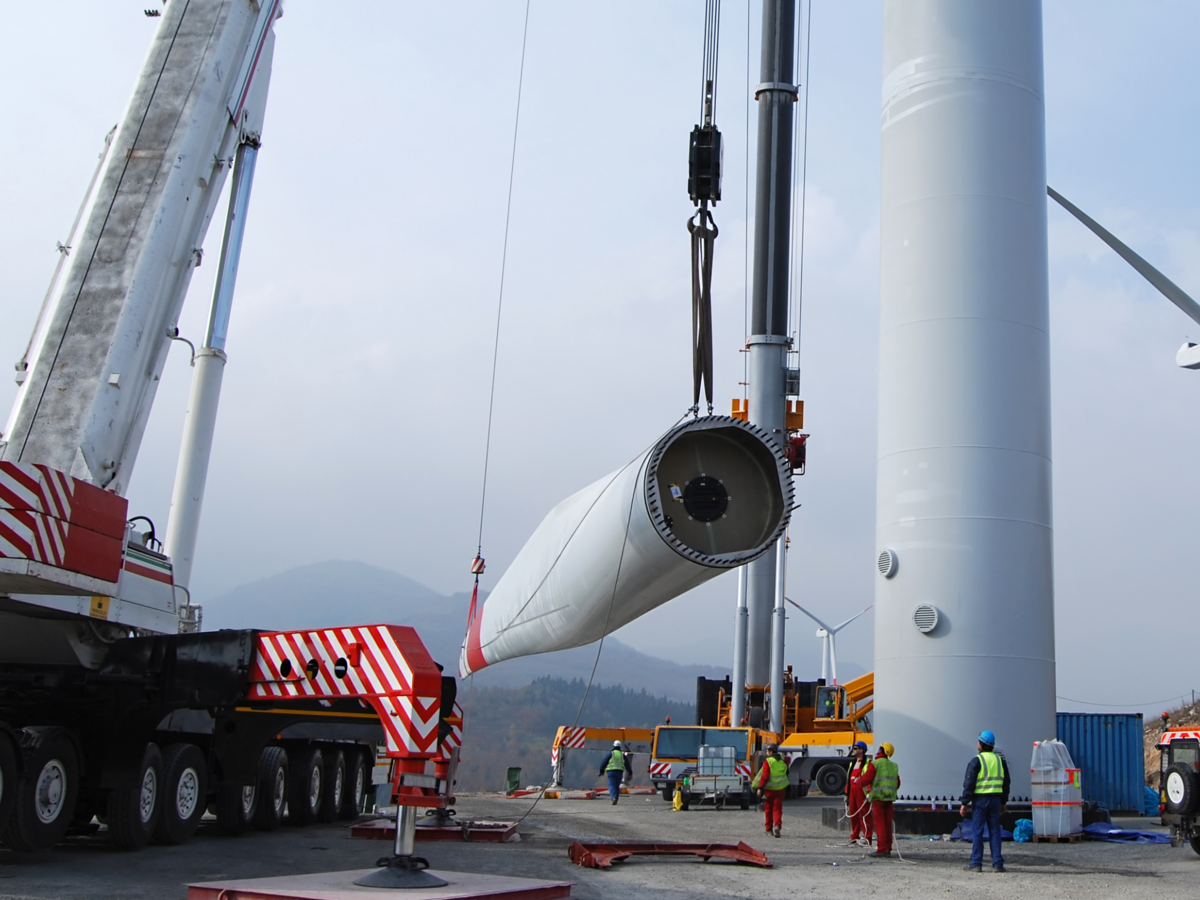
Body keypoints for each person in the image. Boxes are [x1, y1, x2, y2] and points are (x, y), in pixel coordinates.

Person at [959, 730, 1010, 873]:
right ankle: (998, 864)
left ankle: (976, 863)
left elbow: (969, 783)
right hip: (995, 800)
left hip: (980, 800)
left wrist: (964, 803)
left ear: (981, 744)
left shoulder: (977, 761)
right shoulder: (1000, 761)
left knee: (978, 831)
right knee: (995, 831)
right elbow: (1006, 783)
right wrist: (1004, 802)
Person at [751, 743, 789, 838]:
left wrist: (760, 787)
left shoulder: (768, 762)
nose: (766, 753)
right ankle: (777, 826)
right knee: (777, 809)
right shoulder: (782, 760)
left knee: (768, 810)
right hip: (780, 790)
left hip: (769, 790)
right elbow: (788, 760)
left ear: (771, 751)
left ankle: (769, 829)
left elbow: (765, 776)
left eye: (767, 751)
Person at [869, 742, 899, 858]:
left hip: (878, 799)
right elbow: (897, 783)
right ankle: (888, 848)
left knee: (880, 824)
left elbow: (867, 778)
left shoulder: (875, 764)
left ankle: (881, 849)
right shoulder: (894, 766)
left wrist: (857, 782)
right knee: (887, 824)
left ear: (882, 750)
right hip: (889, 799)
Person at [846, 740, 874, 847]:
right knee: (853, 814)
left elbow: (870, 778)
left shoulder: (868, 763)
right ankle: (855, 837)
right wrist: (846, 794)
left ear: (861, 750)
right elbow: (849, 778)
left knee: (864, 815)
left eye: (855, 748)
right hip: (852, 791)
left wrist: (869, 792)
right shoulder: (852, 763)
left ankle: (867, 838)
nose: (853, 750)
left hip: (862, 791)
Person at [598, 740, 632, 805]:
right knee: (616, 786)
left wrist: (601, 770)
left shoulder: (611, 754)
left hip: (611, 772)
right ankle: (616, 798)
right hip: (619, 772)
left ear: (614, 746)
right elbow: (627, 765)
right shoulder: (622, 755)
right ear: (620, 747)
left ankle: (614, 798)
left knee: (612, 785)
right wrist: (630, 773)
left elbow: (604, 762)